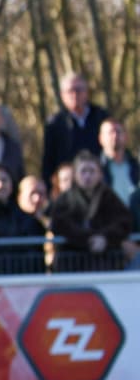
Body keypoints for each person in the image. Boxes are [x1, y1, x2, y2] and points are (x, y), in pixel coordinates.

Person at [47, 151, 132, 272]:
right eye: (83, 171)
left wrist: (105, 238)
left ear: (100, 174)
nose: (87, 176)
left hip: (105, 265)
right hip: (71, 266)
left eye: (92, 171)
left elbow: (124, 222)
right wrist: (87, 240)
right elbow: (59, 224)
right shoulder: (65, 199)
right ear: (75, 175)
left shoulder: (109, 197)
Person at [42, 72, 109, 185]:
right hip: (69, 184)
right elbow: (49, 161)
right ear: (62, 95)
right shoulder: (54, 124)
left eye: (78, 90)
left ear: (86, 92)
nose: (74, 94)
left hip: (99, 182)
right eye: (70, 91)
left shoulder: (101, 117)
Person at [97, 118, 140, 262]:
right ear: (101, 138)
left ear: (125, 136)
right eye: (110, 132)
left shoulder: (136, 167)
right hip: (112, 236)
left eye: (118, 131)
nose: (115, 136)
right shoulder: (95, 171)